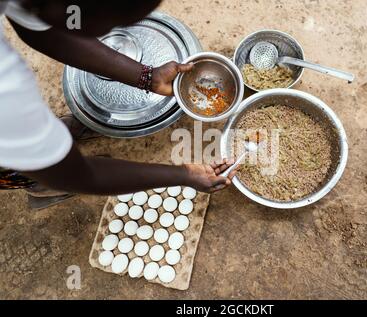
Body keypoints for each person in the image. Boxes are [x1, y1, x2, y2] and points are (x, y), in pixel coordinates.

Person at [0, 0, 236, 208]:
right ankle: (38, 184)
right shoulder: (6, 94)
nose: (113, 33)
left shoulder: (42, 5)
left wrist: (147, 77)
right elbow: (80, 175)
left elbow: (40, 29)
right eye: (107, 26)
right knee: (34, 169)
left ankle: (45, 146)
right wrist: (185, 175)